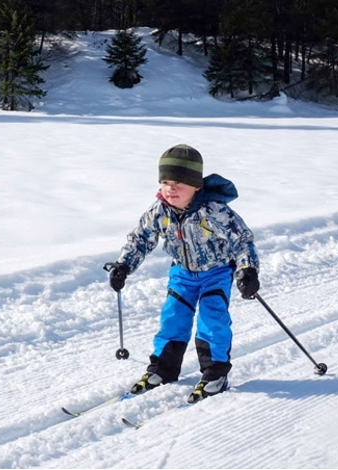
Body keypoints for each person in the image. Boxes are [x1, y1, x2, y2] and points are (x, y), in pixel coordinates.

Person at [105, 143, 260, 403]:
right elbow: (141, 238)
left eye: (178, 183)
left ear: (196, 185)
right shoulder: (159, 210)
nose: (170, 189)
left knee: (212, 320)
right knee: (172, 318)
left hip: (216, 272)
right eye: (165, 182)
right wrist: (123, 265)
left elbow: (242, 240)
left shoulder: (214, 211)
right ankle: (163, 369)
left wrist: (247, 270)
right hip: (182, 273)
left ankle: (215, 374)